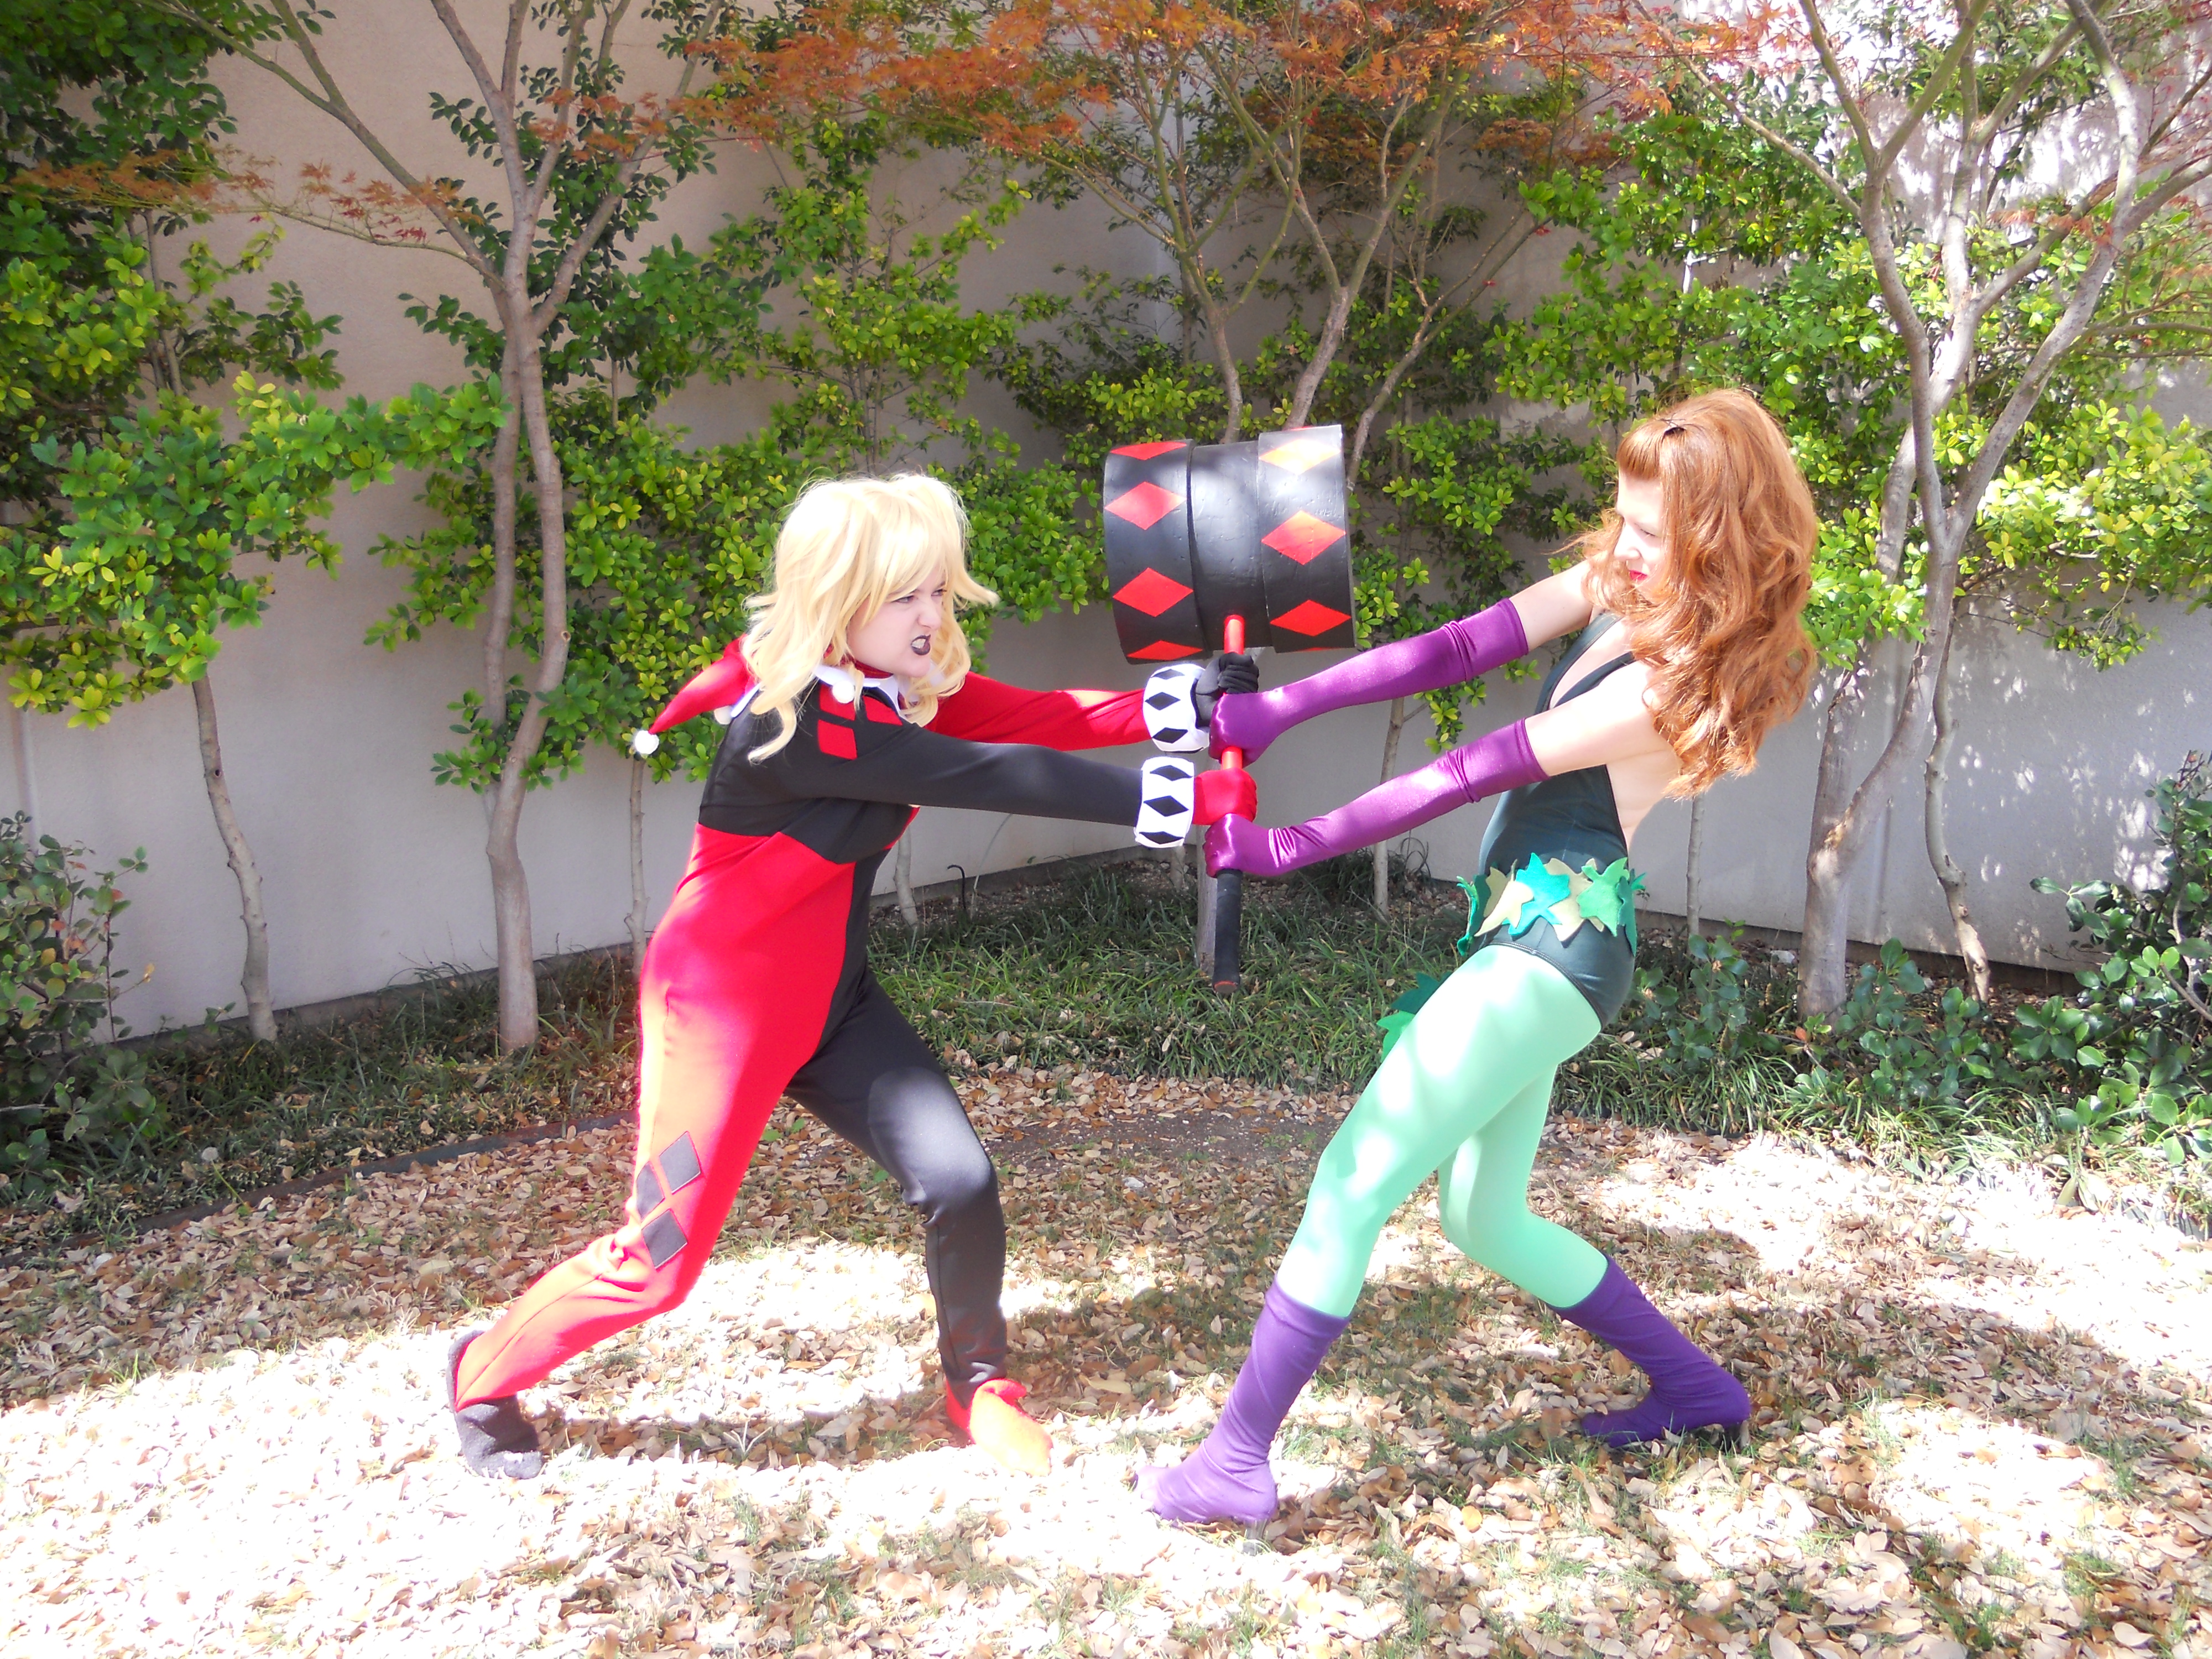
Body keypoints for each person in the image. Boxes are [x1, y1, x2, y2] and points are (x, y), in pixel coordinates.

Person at [445, 474, 1256, 1481]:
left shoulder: (899, 688)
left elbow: (1038, 717)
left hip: (831, 997)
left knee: (960, 1181)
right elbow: (987, 773)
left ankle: (979, 1384)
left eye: (938, 591)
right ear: (838, 598)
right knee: (657, 1265)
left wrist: (1182, 702)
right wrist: (1190, 797)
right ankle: (481, 1371)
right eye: (904, 595)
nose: (932, 616)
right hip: (720, 1014)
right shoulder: (794, 721)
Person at [1139, 389, 1818, 1529]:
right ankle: (1698, 1391)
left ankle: (1234, 1463)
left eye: (1654, 532)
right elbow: (1460, 646)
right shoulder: (1624, 587)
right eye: (1623, 516)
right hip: (1527, 942)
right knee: (1484, 1218)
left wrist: (1290, 845)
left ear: (1720, 544)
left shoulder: (1669, 685)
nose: (1625, 546)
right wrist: (1286, 706)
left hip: (1552, 953)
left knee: (1352, 1180)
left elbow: (1477, 767)